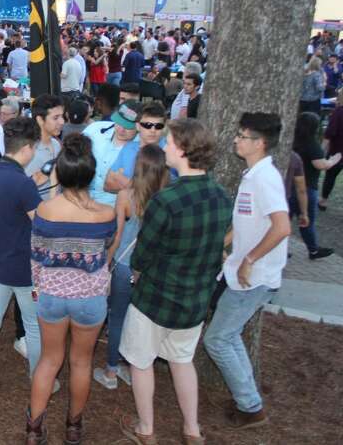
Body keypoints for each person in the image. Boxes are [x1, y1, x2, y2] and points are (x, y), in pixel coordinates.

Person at [119, 119, 232, 445]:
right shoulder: (222, 197)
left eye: (170, 143)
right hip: (194, 302)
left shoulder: (165, 202)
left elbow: (141, 256)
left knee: (141, 364)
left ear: (182, 151)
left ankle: (146, 429)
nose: (165, 146)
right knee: (182, 362)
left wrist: (137, 275)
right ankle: (192, 430)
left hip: (155, 300)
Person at [25, 134, 116, 445]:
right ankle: (73, 427)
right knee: (81, 362)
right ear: (91, 174)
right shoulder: (106, 214)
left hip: (51, 295)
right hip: (90, 299)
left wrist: (38, 287)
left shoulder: (45, 211)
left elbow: (36, 253)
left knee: (49, 361)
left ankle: (34, 431)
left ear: (60, 173)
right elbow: (104, 249)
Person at [203, 112, 291, 430]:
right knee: (228, 335)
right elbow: (246, 224)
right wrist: (221, 245)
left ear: (261, 143)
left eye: (243, 136)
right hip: (242, 272)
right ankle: (248, 397)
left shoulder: (264, 178)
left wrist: (249, 260)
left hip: (253, 277)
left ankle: (251, 407)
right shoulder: (252, 175)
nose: (237, 140)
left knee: (218, 340)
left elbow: (281, 227)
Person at [0, 117, 44, 397]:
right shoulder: (23, 184)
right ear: (27, 147)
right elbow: (40, 224)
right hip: (24, 266)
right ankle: (39, 379)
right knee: (33, 326)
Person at [94, 144, 169, 391]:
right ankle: (134, 365)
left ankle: (111, 370)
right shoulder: (167, 196)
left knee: (117, 317)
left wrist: (106, 264)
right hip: (153, 269)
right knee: (141, 320)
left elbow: (117, 236)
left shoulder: (126, 195)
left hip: (126, 266)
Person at [291, 111, 339, 259]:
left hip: (287, 186)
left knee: (285, 218)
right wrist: (334, 160)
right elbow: (320, 165)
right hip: (306, 187)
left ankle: (280, 250)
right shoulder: (311, 145)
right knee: (306, 220)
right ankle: (313, 250)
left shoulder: (292, 141)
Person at [83, 100, 140, 206]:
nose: (121, 129)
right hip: (81, 198)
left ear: (139, 127)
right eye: (118, 122)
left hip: (113, 206)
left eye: (127, 127)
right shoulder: (95, 129)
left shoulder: (141, 149)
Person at [104, 101, 167, 194]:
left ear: (163, 128)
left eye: (158, 126)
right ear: (137, 126)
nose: (153, 130)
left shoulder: (170, 149)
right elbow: (107, 185)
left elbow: (168, 190)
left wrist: (126, 182)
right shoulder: (129, 148)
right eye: (147, 125)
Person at [25, 94, 64, 197]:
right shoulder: (30, 152)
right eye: (55, 118)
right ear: (40, 120)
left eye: (62, 116)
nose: (62, 122)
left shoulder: (56, 144)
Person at [319, 86, 343, 210]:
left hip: (337, 151)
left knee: (330, 176)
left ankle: (323, 200)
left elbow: (329, 133)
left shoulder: (338, 112)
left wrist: (321, 150)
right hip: (338, 149)